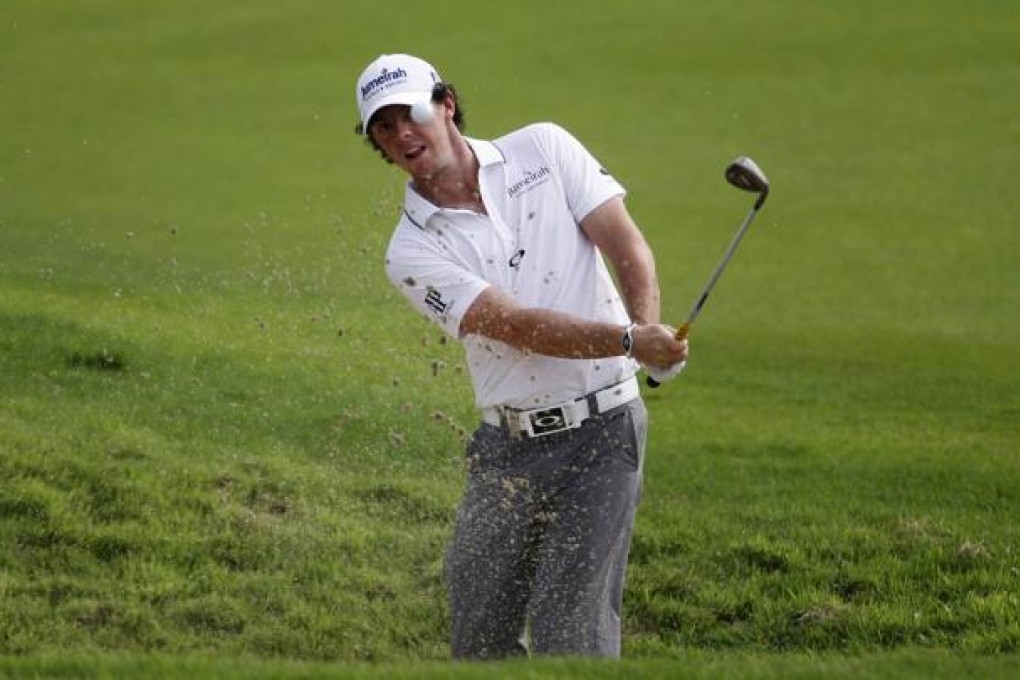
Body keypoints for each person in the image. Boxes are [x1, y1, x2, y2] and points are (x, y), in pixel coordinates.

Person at [353, 53, 688, 659]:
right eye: (384, 125)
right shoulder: (409, 249)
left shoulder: (544, 149)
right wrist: (631, 342)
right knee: (477, 623)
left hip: (605, 433)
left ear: (445, 104)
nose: (402, 132)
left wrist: (646, 328)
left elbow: (625, 243)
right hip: (506, 449)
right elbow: (512, 326)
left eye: (412, 112)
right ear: (377, 143)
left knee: (570, 626)